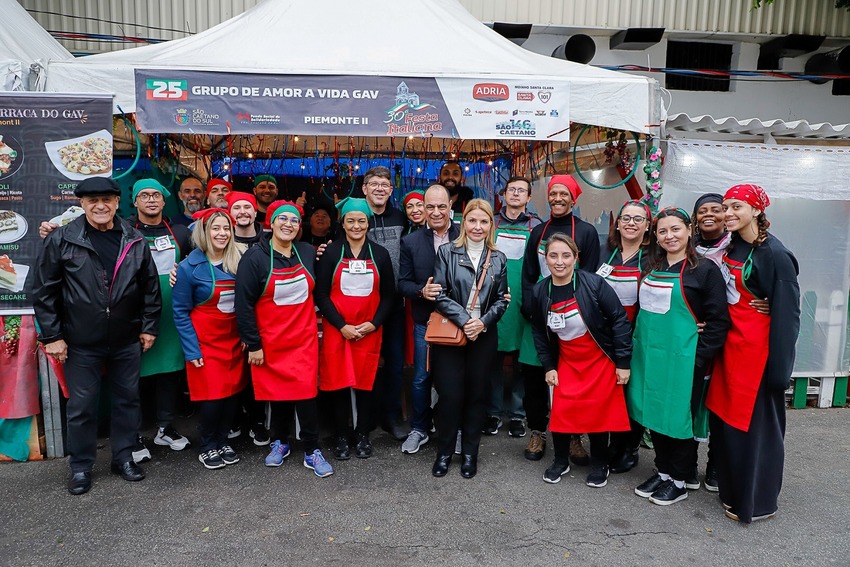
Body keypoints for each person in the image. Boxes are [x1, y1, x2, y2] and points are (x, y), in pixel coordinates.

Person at [33, 177, 161, 495]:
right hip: (80, 341)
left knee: (127, 402)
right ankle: (80, 467)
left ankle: (123, 458)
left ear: (118, 203)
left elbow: (150, 287)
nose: (100, 206)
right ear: (82, 204)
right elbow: (43, 291)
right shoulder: (62, 239)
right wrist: (52, 336)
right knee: (82, 407)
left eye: (106, 199)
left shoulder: (135, 239)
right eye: (92, 201)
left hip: (125, 339)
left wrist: (148, 327)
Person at [706, 184, 800, 523]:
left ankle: (756, 502)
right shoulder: (734, 244)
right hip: (731, 347)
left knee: (755, 428)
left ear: (757, 210)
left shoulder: (774, 254)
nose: (728, 213)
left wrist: (779, 370)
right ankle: (731, 489)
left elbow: (788, 314)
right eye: (725, 207)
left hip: (756, 353)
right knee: (729, 425)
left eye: (737, 207)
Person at [628, 207, 730, 506]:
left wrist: (698, 358)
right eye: (662, 231)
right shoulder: (651, 266)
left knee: (679, 419)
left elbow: (718, 321)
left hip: (684, 361)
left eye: (675, 229)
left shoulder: (705, 270)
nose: (669, 236)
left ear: (689, 230)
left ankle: (680, 478)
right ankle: (663, 470)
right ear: (655, 236)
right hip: (649, 356)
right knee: (654, 414)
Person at [235, 200, 333, 478]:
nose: (288, 224)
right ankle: (280, 442)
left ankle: (312, 449)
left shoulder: (306, 251)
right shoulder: (254, 258)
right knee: (276, 394)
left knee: (306, 395)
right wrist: (252, 343)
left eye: (293, 220)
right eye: (282, 219)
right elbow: (243, 304)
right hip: (270, 341)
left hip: (303, 339)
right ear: (271, 223)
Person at [528, 233, 632, 487]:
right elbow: (540, 332)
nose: (560, 261)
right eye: (553, 255)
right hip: (567, 359)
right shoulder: (540, 290)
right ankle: (561, 461)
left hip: (599, 359)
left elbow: (619, 319)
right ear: (546, 258)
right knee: (562, 412)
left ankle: (600, 463)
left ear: (576, 257)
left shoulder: (594, 284)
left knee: (599, 414)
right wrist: (549, 366)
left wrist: (623, 363)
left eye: (566, 255)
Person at [520, 174, 600, 463]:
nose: (557, 198)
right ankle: (538, 431)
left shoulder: (588, 233)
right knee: (534, 376)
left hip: (573, 318)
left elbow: (590, 277)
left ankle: (574, 436)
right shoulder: (538, 231)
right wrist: (531, 307)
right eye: (553, 193)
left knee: (570, 379)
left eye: (563, 193)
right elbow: (529, 274)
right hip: (540, 315)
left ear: (573, 198)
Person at [430, 199, 508, 479]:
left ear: (491, 225)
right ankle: (444, 452)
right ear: (464, 223)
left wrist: (482, 322)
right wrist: (466, 321)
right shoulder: (447, 253)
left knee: (476, 396)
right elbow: (439, 294)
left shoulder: (498, 258)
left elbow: (502, 299)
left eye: (484, 222)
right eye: (472, 221)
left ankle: (470, 454)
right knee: (450, 396)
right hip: (451, 334)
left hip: (483, 336)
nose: (478, 227)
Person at [315, 197, 395, 460]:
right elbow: (322, 295)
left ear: (368, 223)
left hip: (368, 330)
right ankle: (341, 435)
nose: (356, 225)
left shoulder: (380, 255)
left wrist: (374, 323)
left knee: (365, 383)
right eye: (351, 220)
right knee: (338, 383)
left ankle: (362, 434)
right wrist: (342, 326)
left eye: (361, 220)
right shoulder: (330, 253)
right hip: (339, 330)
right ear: (343, 222)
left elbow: (388, 296)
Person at [172, 209, 248, 470]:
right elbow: (180, 312)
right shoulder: (187, 267)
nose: (222, 233)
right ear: (204, 232)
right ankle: (207, 445)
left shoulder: (241, 261)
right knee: (212, 398)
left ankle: (222, 439)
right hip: (205, 344)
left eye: (226, 228)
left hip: (234, 341)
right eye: (216, 228)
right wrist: (192, 351)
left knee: (231, 397)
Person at [128, 179, 193, 458]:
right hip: (136, 312)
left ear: (165, 201)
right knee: (134, 376)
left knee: (170, 371)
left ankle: (165, 428)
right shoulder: (125, 230)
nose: (151, 200)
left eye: (156, 195)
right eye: (144, 195)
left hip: (173, 311)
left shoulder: (179, 232)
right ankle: (133, 435)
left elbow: (195, 263)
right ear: (134, 201)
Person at [397, 184, 460, 454]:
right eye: (430, 206)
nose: (435, 212)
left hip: (459, 321)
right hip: (425, 321)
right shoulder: (410, 242)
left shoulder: (465, 235)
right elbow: (402, 284)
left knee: (454, 379)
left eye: (441, 206)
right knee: (422, 378)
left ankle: (453, 429)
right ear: (423, 208)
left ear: (450, 208)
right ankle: (419, 428)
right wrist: (421, 290)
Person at [487, 176, 542, 439]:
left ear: (529, 198)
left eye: (522, 191)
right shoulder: (490, 223)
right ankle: (494, 411)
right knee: (492, 358)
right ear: (504, 194)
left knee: (524, 360)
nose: (516, 194)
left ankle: (519, 414)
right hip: (493, 299)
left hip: (525, 299)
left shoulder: (538, 227)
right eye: (512, 190)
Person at [601, 200, 652, 475]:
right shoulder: (604, 253)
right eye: (626, 218)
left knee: (632, 393)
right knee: (611, 391)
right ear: (617, 223)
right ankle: (611, 442)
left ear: (647, 226)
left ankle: (629, 446)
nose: (631, 223)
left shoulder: (654, 258)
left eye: (638, 219)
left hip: (639, 334)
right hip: (605, 335)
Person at [361, 166, 409, 441]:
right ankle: (364, 418)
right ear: (365, 188)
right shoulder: (355, 217)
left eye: (385, 185)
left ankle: (391, 416)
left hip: (394, 301)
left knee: (394, 361)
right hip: (362, 301)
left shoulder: (400, 218)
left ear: (391, 191)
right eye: (374, 184)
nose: (380, 188)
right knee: (365, 360)